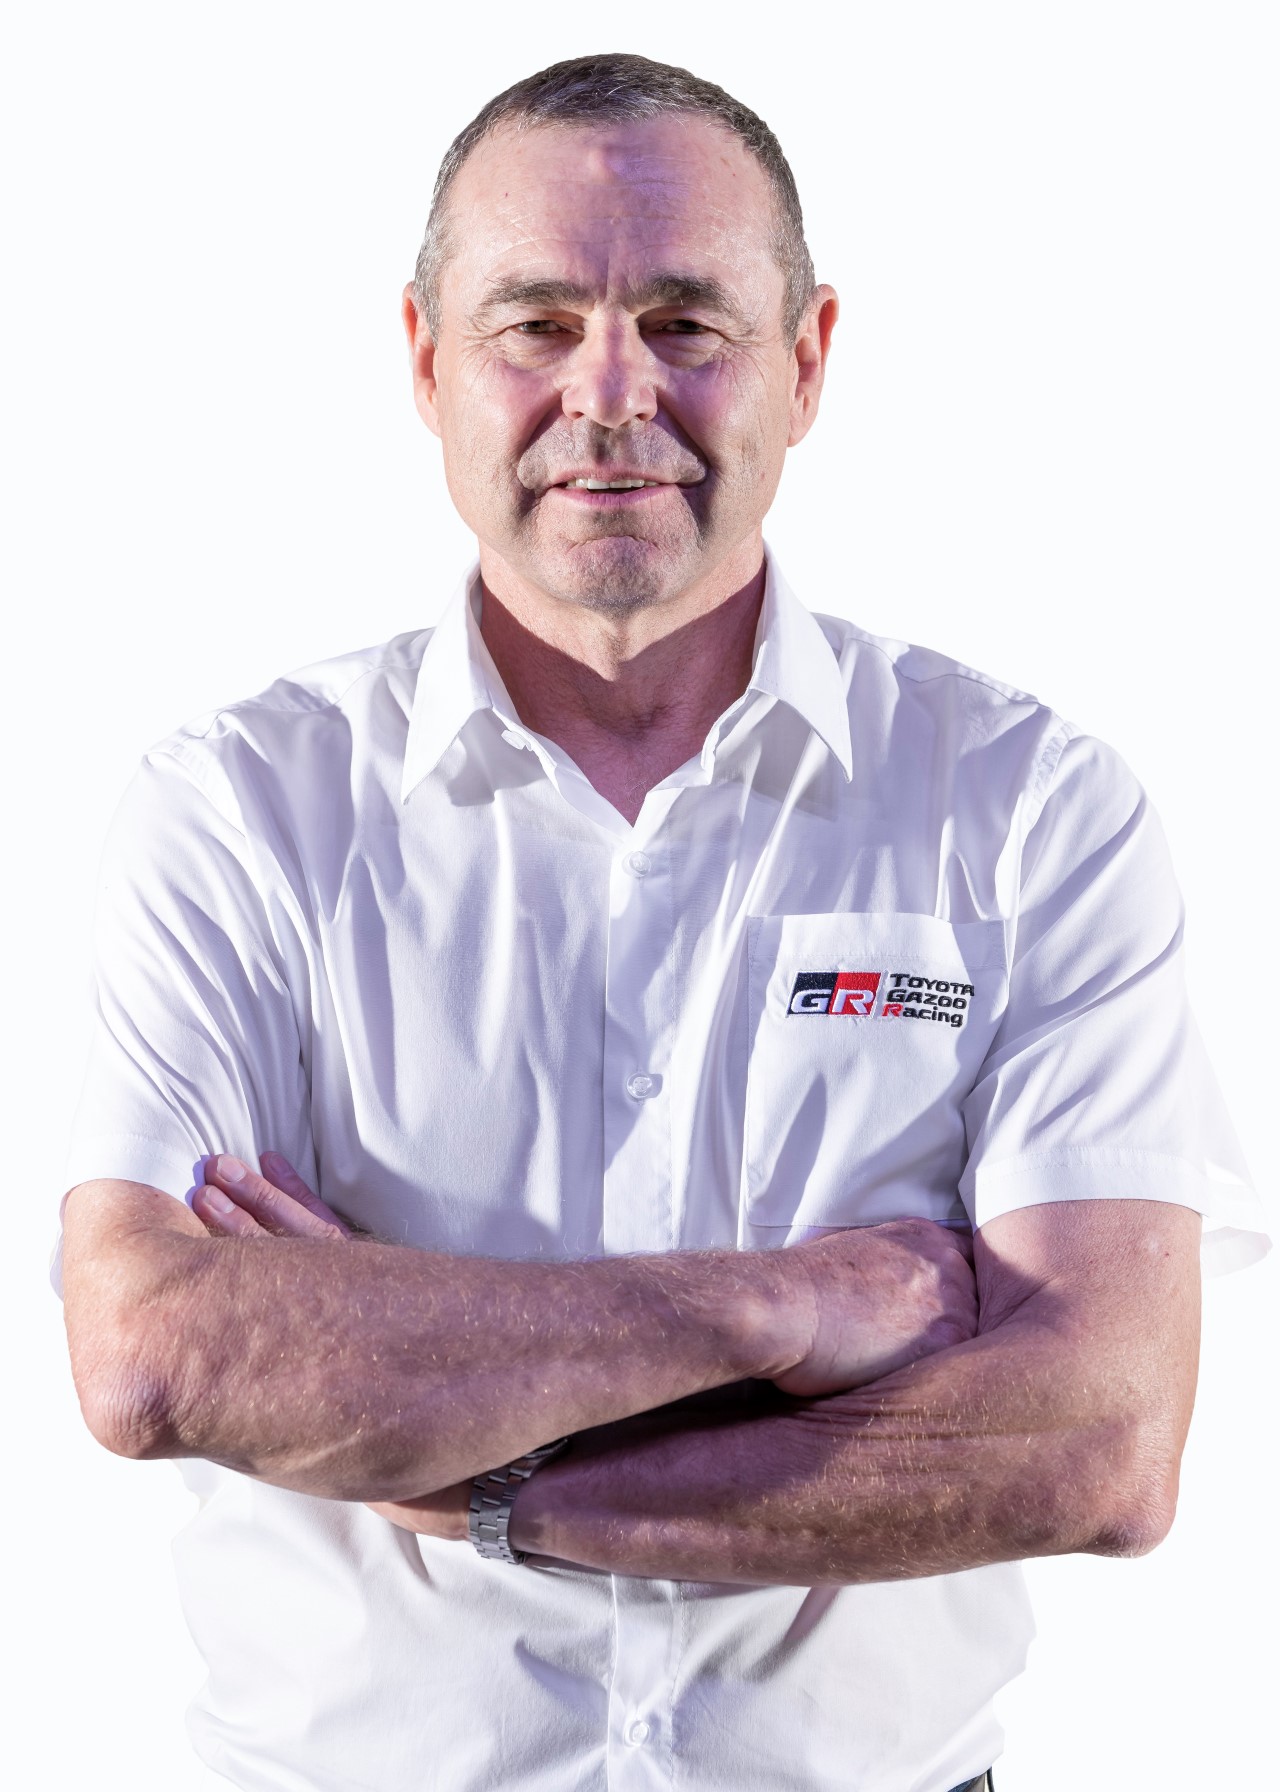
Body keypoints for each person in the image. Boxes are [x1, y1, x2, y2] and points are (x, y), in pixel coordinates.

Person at [57, 51, 1265, 1792]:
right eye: (535, 325)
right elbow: (155, 1358)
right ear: (426, 363)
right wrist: (784, 1307)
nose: (611, 394)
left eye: (687, 323)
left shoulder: (1029, 813)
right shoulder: (242, 814)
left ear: (809, 360)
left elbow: (1094, 1443)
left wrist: (454, 1456)